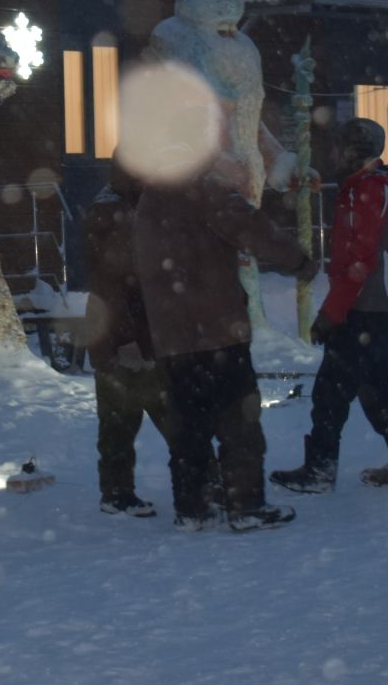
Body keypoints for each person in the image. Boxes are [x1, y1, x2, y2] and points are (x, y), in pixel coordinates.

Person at [135, 151, 317, 531]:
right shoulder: (205, 191)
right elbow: (252, 228)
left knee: (188, 428)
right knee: (240, 423)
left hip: (173, 336)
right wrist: (299, 261)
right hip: (216, 330)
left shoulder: (149, 199)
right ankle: (246, 504)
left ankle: (193, 507)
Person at [270, 118, 388, 492]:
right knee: (373, 385)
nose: (333, 154)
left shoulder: (369, 191)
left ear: (355, 151)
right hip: (375, 304)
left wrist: (330, 314)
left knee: (331, 389)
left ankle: (321, 469)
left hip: (367, 306)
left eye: (339, 147)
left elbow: (359, 261)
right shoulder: (366, 187)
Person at [79, 158, 176, 517]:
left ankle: (116, 492)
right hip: (129, 341)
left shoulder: (113, 208)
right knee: (170, 415)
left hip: (115, 338)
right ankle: (205, 482)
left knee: (119, 422)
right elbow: (115, 287)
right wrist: (128, 342)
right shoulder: (117, 215)